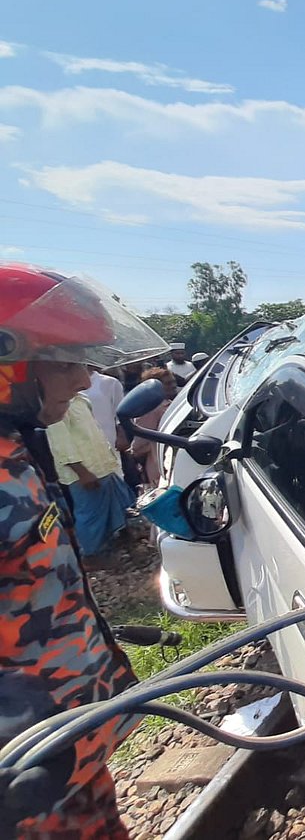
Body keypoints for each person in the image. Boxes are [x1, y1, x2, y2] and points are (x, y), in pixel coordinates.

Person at [0, 262, 167, 838]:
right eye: (68, 363)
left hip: (66, 743)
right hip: (21, 769)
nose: (81, 380)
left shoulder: (18, 450)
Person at [46, 393, 135, 559]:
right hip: (83, 471)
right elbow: (61, 444)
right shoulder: (54, 406)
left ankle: (111, 546)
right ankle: (90, 556)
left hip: (101, 464)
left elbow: (94, 431)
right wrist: (82, 472)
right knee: (90, 517)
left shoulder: (81, 399)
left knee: (114, 507)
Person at [130, 367, 178, 487]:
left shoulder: (171, 405)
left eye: (173, 382)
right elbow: (138, 448)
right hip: (159, 468)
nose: (173, 386)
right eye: (168, 383)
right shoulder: (150, 409)